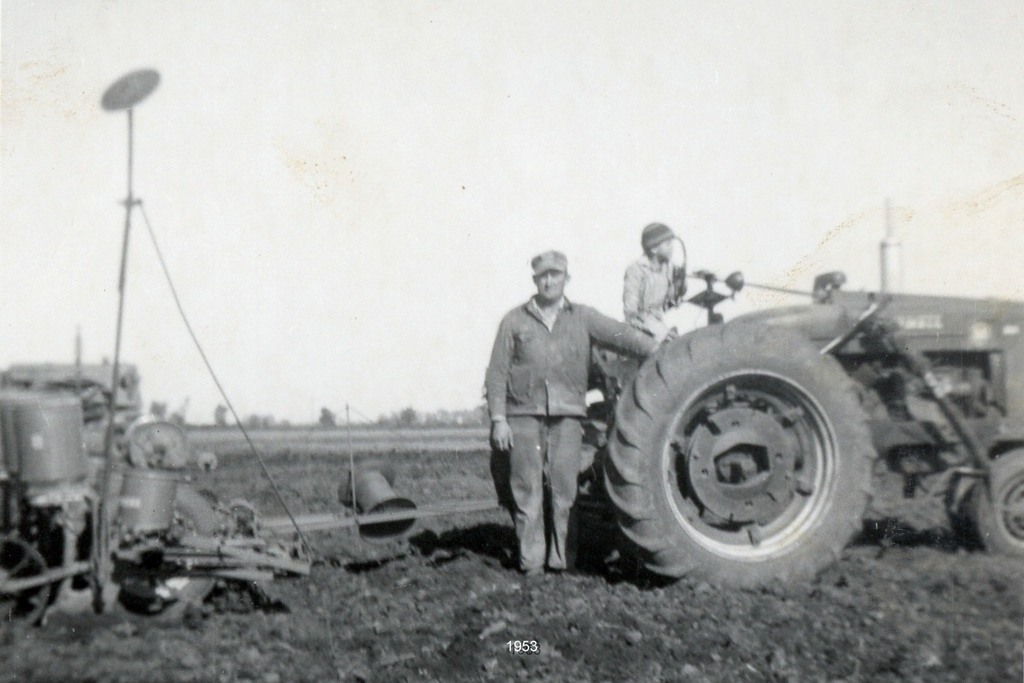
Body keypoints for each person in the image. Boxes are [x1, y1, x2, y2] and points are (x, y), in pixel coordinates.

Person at [485, 250, 658, 575]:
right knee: (527, 491)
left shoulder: (583, 317)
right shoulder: (514, 320)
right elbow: (496, 371)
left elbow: (620, 335)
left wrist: (657, 349)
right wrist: (498, 419)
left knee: (565, 491)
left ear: (566, 278)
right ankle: (531, 564)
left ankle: (563, 562)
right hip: (522, 416)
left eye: (555, 275)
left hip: (567, 416)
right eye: (543, 276)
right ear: (535, 280)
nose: (549, 281)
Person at [623, 222, 685, 341]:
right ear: (654, 248)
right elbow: (630, 314)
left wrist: (680, 285)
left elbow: (670, 302)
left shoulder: (667, 268)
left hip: (659, 323)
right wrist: (660, 332)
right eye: (668, 244)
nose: (672, 248)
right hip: (640, 330)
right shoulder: (636, 271)